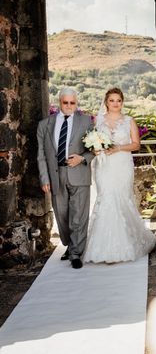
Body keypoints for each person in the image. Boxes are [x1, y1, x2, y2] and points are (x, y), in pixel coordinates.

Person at [83, 88, 156, 263]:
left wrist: (118, 148)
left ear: (122, 102)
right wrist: (96, 147)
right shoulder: (98, 120)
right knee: (106, 198)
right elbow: (93, 141)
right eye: (112, 100)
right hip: (104, 166)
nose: (115, 103)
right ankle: (101, 248)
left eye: (118, 100)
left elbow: (136, 145)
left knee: (121, 199)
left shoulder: (129, 121)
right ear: (106, 102)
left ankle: (124, 245)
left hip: (123, 164)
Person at [37, 88, 94, 269]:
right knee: (62, 215)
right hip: (56, 175)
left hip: (79, 174)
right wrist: (44, 178)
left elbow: (95, 148)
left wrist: (82, 158)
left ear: (76, 104)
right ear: (59, 102)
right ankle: (70, 245)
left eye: (72, 103)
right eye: (65, 102)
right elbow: (41, 154)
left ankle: (76, 253)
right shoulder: (45, 124)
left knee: (79, 215)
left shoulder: (86, 121)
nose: (69, 106)